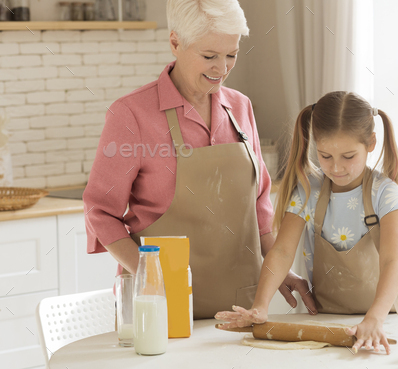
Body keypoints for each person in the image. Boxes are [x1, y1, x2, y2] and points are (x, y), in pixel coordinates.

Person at [83, 0, 314, 319]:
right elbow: (100, 210)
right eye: (209, 56)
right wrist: (149, 276)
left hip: (238, 305)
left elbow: (259, 204)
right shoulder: (132, 114)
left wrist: (278, 268)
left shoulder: (240, 108)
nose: (222, 68)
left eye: (231, 55)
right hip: (159, 303)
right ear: (175, 42)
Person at [216, 91, 398, 354]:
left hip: (385, 320)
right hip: (328, 321)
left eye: (348, 156)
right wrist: (260, 306)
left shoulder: (386, 194)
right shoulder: (309, 191)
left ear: (371, 143)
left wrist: (374, 319)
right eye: (325, 156)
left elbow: (393, 262)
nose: (336, 168)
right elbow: (282, 251)